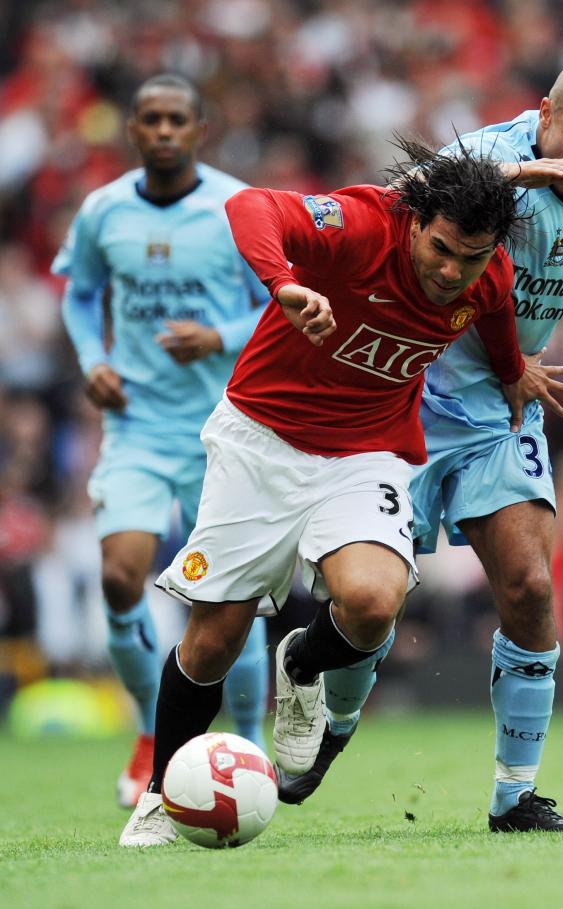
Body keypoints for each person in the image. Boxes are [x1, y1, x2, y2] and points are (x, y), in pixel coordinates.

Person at [284, 59, 563, 832]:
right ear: (545, 112)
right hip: (408, 391)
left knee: (528, 585)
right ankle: (337, 723)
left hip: (505, 403)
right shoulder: (488, 159)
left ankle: (514, 796)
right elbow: (406, 199)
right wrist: (523, 171)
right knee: (370, 605)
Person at [118, 135, 563, 846]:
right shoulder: (362, 223)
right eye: (442, 250)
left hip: (367, 452)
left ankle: (301, 662)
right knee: (214, 638)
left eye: (474, 256)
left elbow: (490, 316)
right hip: (261, 441)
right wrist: (283, 283)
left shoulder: (486, 275)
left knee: (371, 601)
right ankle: (158, 795)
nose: (453, 271)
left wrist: (514, 367)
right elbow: (249, 206)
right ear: (417, 222)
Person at [52, 74, 271, 809]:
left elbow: (281, 300)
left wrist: (220, 334)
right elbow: (80, 294)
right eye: (152, 120)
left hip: (225, 425)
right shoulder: (103, 210)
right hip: (138, 425)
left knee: (230, 597)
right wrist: (94, 363)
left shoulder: (237, 207)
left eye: (178, 119)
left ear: (200, 128)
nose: (165, 131)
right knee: (120, 578)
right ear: (134, 130)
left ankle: (249, 744)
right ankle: (153, 730)